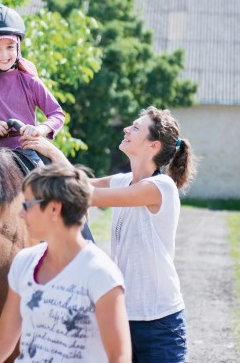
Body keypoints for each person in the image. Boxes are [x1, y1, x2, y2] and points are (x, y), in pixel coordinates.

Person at [20, 106, 197, 363]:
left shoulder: (161, 187)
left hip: (160, 323)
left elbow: (86, 195)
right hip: (122, 318)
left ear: (153, 145)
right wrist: (47, 151)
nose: (126, 128)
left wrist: (49, 157)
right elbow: (81, 183)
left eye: (135, 128)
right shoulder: (124, 181)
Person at [0, 163, 132, 363]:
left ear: (54, 208)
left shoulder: (101, 273)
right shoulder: (24, 262)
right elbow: (3, 336)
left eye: (27, 205)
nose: (21, 214)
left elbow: (119, 357)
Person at [0, 4, 65, 166]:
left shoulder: (29, 80)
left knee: (46, 184)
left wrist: (40, 129)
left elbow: (57, 114)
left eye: (9, 47)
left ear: (18, 47)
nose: (3, 55)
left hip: (26, 148)